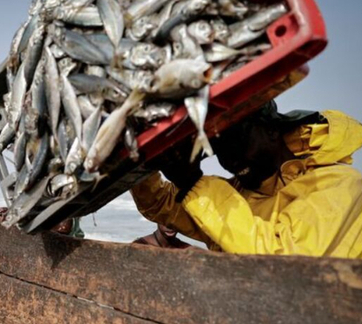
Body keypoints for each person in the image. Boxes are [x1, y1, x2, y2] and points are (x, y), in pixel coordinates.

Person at [130, 102, 362, 257]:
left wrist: (193, 183)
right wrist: (140, 155)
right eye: (219, 149)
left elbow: (283, 261)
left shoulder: (339, 184)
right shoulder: (241, 192)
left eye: (236, 142)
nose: (229, 160)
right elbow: (161, 203)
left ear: (271, 131)